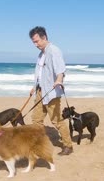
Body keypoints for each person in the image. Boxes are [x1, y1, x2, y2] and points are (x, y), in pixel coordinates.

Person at [28, 26, 73, 155]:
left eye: (37, 41)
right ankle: (39, 144)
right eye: (33, 42)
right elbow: (40, 73)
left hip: (51, 92)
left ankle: (68, 146)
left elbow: (61, 69)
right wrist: (34, 86)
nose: (35, 44)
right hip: (40, 91)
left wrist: (59, 80)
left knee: (56, 121)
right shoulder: (41, 54)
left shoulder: (54, 50)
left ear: (44, 37)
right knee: (36, 119)